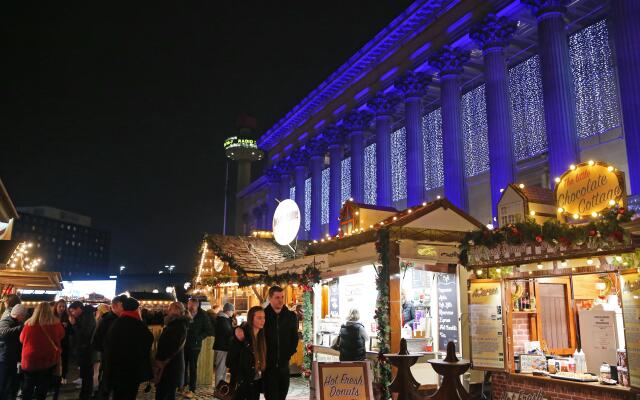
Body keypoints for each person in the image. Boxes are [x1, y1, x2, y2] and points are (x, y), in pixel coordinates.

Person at [238, 286, 298, 400]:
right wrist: (236, 329)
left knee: (282, 396)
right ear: (270, 299)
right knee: (271, 397)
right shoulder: (264, 315)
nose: (280, 300)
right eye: (277, 297)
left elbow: (294, 338)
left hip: (284, 366)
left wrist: (288, 354)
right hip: (268, 367)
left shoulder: (291, 316)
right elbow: (250, 328)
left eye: (282, 297)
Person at [104, 297, 153, 400]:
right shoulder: (138, 324)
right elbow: (148, 341)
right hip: (132, 371)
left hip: (117, 370)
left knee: (118, 396)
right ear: (136, 309)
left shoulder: (117, 323)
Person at [19, 302, 65, 400]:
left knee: (28, 386)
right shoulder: (56, 324)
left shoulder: (28, 324)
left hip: (29, 360)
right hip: (46, 360)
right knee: (42, 387)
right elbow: (62, 336)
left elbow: (21, 340)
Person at [227, 306, 266, 400]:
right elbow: (229, 361)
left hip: (255, 382)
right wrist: (240, 377)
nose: (263, 320)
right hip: (242, 382)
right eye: (259, 318)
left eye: (264, 317)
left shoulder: (262, 336)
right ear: (251, 318)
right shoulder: (242, 336)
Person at [91, 295, 125, 400]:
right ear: (114, 306)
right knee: (106, 384)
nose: (124, 308)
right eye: (122, 306)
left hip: (113, 359)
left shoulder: (117, 319)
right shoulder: (108, 320)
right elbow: (96, 340)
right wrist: (107, 351)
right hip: (109, 359)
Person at [154, 301, 189, 400]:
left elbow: (170, 346)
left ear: (177, 310)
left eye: (170, 308)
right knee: (167, 393)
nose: (167, 310)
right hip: (171, 365)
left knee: (164, 393)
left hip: (170, 366)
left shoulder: (178, 326)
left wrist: (160, 359)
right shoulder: (176, 324)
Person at [181, 298, 213, 399]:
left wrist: (198, 338)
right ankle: (183, 385)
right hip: (183, 343)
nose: (190, 307)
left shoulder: (203, 315)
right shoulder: (185, 313)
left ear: (197, 305)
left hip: (195, 345)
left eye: (192, 305)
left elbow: (208, 330)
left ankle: (192, 389)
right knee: (183, 365)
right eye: (189, 304)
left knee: (193, 367)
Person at [67, 301, 95, 400]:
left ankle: (86, 394)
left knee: (87, 374)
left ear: (79, 308)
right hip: (83, 349)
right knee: (85, 374)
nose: (73, 314)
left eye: (73, 311)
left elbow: (85, 335)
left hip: (87, 350)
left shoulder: (88, 317)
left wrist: (74, 324)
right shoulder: (83, 316)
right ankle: (85, 393)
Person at [0, 304, 27, 400]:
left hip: (14, 357)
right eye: (23, 316)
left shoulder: (18, 322)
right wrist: (21, 327)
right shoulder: (5, 320)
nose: (23, 318)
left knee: (13, 382)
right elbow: (3, 333)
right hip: (5, 358)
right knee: (3, 382)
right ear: (19, 315)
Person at [50, 299, 70, 400]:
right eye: (60, 306)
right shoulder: (52, 317)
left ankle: (63, 377)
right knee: (54, 362)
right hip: (54, 344)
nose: (62, 308)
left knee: (64, 360)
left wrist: (68, 326)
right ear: (56, 307)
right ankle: (54, 380)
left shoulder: (68, 317)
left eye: (64, 306)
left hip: (64, 343)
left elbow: (71, 332)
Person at [213, 303, 234, 385]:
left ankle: (221, 387)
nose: (232, 313)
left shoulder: (224, 319)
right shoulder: (222, 319)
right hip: (222, 347)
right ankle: (218, 387)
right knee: (220, 369)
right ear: (228, 311)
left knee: (223, 369)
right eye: (232, 310)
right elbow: (227, 333)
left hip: (223, 347)